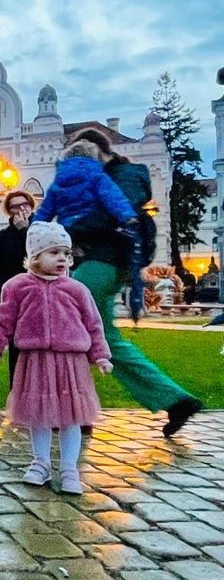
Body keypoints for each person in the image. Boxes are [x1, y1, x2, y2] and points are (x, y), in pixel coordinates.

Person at [67, 128, 204, 436]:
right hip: (104, 265)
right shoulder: (120, 175)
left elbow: (113, 213)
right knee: (105, 340)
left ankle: (77, 413)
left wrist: (69, 228)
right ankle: (174, 399)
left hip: (99, 266)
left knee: (69, 334)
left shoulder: (125, 175)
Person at [0, 222, 113, 494]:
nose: (62, 258)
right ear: (35, 256)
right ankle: (40, 462)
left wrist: (100, 355)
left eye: (65, 253)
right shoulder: (17, 287)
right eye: (54, 253)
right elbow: (2, 321)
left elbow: (93, 324)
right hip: (35, 360)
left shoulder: (77, 289)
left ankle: (68, 467)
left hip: (70, 362)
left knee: (71, 417)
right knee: (38, 415)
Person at [33, 140, 137, 231]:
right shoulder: (97, 176)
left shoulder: (58, 183)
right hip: (92, 225)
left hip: (68, 228)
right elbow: (113, 197)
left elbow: (45, 211)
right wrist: (128, 216)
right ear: (93, 156)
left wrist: (34, 228)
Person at [0, 191, 35, 385]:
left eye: (24, 204)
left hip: (34, 297)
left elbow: (36, 257)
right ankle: (16, 393)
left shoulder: (40, 230)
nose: (20, 209)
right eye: (15, 206)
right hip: (13, 298)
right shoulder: (2, 236)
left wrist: (26, 231)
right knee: (16, 347)